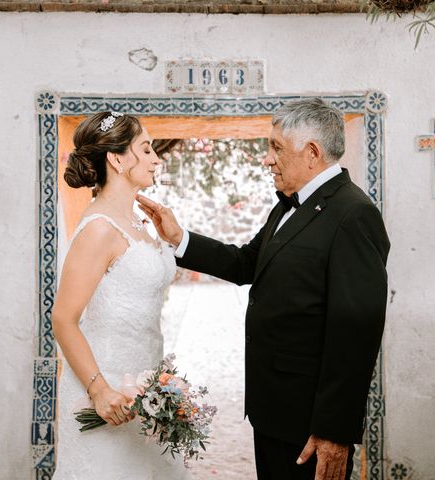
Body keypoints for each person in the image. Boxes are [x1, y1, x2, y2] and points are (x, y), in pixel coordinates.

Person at [138, 98, 390, 480]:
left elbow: (357, 331)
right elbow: (245, 263)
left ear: (312, 153)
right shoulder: (291, 206)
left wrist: (334, 431)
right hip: (274, 409)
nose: (266, 159)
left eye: (276, 148)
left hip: (311, 422)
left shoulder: (353, 215)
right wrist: (179, 237)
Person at [51, 112, 188, 479]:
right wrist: (99, 390)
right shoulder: (99, 229)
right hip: (107, 391)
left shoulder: (141, 224)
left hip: (148, 389)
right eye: (145, 149)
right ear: (117, 159)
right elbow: (63, 320)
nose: (156, 158)